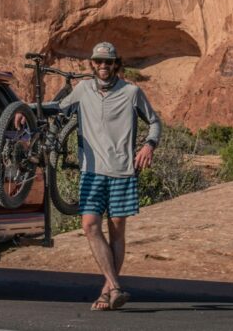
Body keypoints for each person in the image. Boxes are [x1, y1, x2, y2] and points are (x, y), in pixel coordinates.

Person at [48, 42, 161, 311]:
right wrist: (24, 111)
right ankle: (116, 286)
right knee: (89, 226)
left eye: (108, 62)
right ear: (92, 64)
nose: (103, 66)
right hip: (91, 171)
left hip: (122, 170)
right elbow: (57, 109)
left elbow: (155, 121)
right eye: (98, 61)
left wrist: (149, 145)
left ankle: (106, 291)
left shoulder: (132, 92)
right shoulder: (83, 90)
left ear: (116, 65)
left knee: (117, 231)